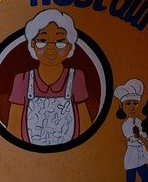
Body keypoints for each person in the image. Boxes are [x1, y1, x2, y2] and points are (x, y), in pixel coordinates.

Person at [6, 9, 94, 147]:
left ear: (70, 45)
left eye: (60, 41)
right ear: (33, 44)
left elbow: (85, 124)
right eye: (42, 40)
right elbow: (13, 128)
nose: (51, 48)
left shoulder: (76, 77)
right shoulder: (22, 79)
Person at [113, 79, 148, 182]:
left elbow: (145, 136)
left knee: (147, 178)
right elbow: (130, 137)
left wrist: (142, 136)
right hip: (132, 154)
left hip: (141, 154)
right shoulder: (126, 124)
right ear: (122, 106)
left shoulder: (140, 122)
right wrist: (138, 136)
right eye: (128, 104)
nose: (132, 107)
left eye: (135, 103)